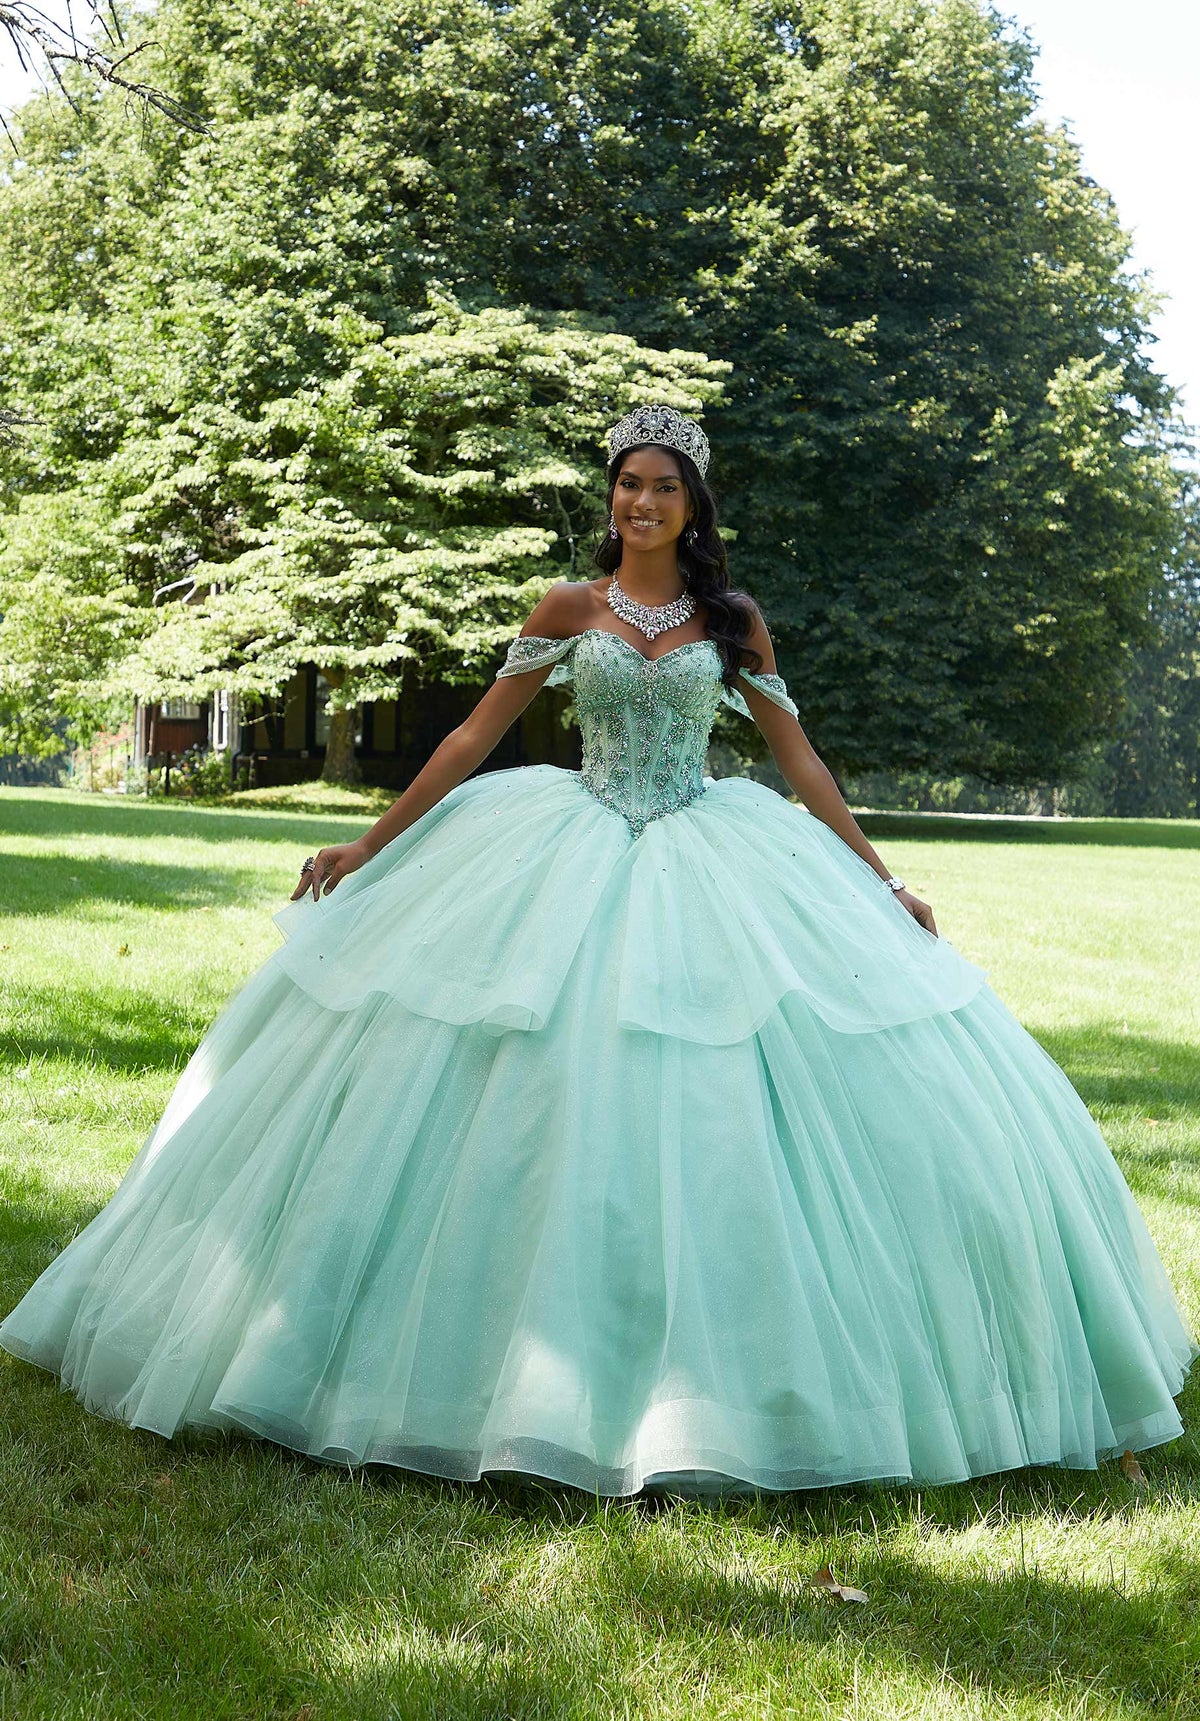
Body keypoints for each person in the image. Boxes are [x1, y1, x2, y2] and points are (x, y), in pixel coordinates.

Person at [1, 403, 1194, 1500]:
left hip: (711, 851)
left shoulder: (732, 620)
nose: (642, 503)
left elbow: (799, 760)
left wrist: (882, 877)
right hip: (563, 840)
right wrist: (368, 844)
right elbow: (475, 735)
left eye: (665, 486)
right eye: (628, 483)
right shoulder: (567, 608)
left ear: (694, 505)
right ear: (610, 496)